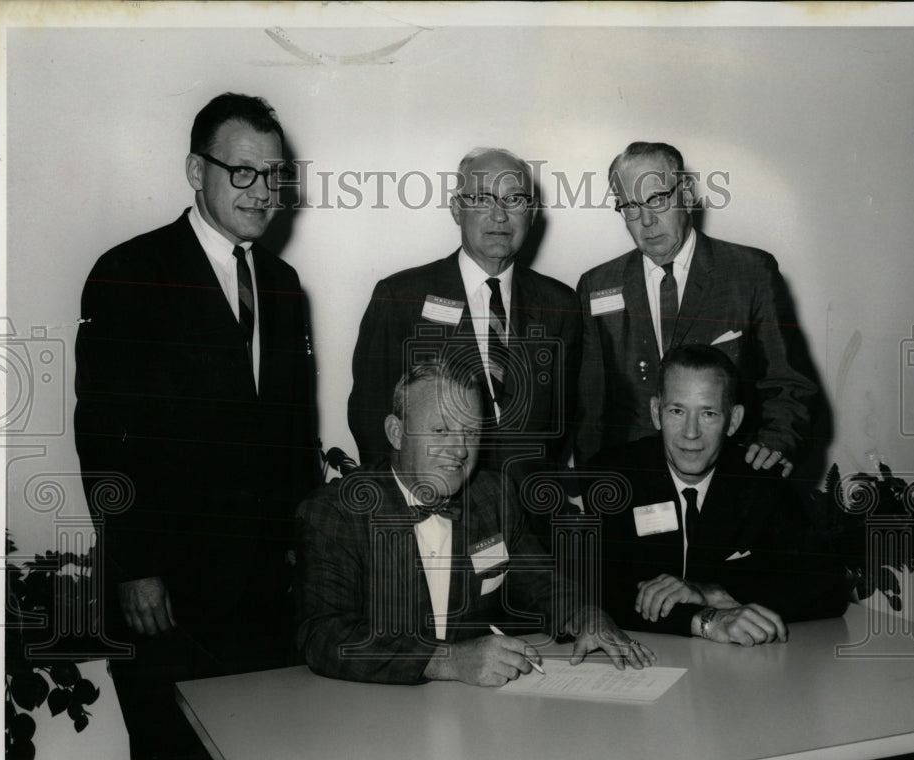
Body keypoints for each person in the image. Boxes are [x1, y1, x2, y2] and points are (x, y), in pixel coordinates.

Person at [74, 92, 319, 760]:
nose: (262, 191)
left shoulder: (282, 283)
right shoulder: (130, 271)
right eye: (242, 171)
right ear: (194, 169)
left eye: (274, 176)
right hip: (165, 597)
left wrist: (306, 550)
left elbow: (295, 436)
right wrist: (135, 567)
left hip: (263, 598)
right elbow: (103, 437)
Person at [297, 361, 654, 685]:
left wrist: (582, 615)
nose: (460, 450)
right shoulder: (337, 512)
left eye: (470, 433)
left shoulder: (491, 496)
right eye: (440, 431)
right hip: (370, 716)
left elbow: (539, 580)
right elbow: (324, 635)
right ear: (395, 432)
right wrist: (446, 661)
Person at [347, 148, 581, 497]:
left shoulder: (560, 305)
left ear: (531, 213)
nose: (499, 215)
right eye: (483, 198)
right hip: (432, 511)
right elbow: (370, 417)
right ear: (457, 209)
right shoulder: (401, 298)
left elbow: (563, 423)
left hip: (527, 518)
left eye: (514, 199)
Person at [575, 142, 818, 475]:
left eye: (657, 199)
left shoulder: (750, 273)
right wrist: (590, 487)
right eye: (630, 206)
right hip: (632, 481)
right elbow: (590, 409)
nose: (646, 220)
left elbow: (789, 383)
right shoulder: (596, 285)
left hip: (732, 474)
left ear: (687, 195)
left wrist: (776, 443)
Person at [584, 345, 849, 645]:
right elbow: (597, 592)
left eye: (708, 413)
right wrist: (704, 620)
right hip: (647, 657)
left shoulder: (758, 479)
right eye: (677, 411)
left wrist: (707, 591)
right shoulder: (613, 475)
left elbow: (828, 586)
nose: (691, 433)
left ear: (733, 420)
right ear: (656, 413)